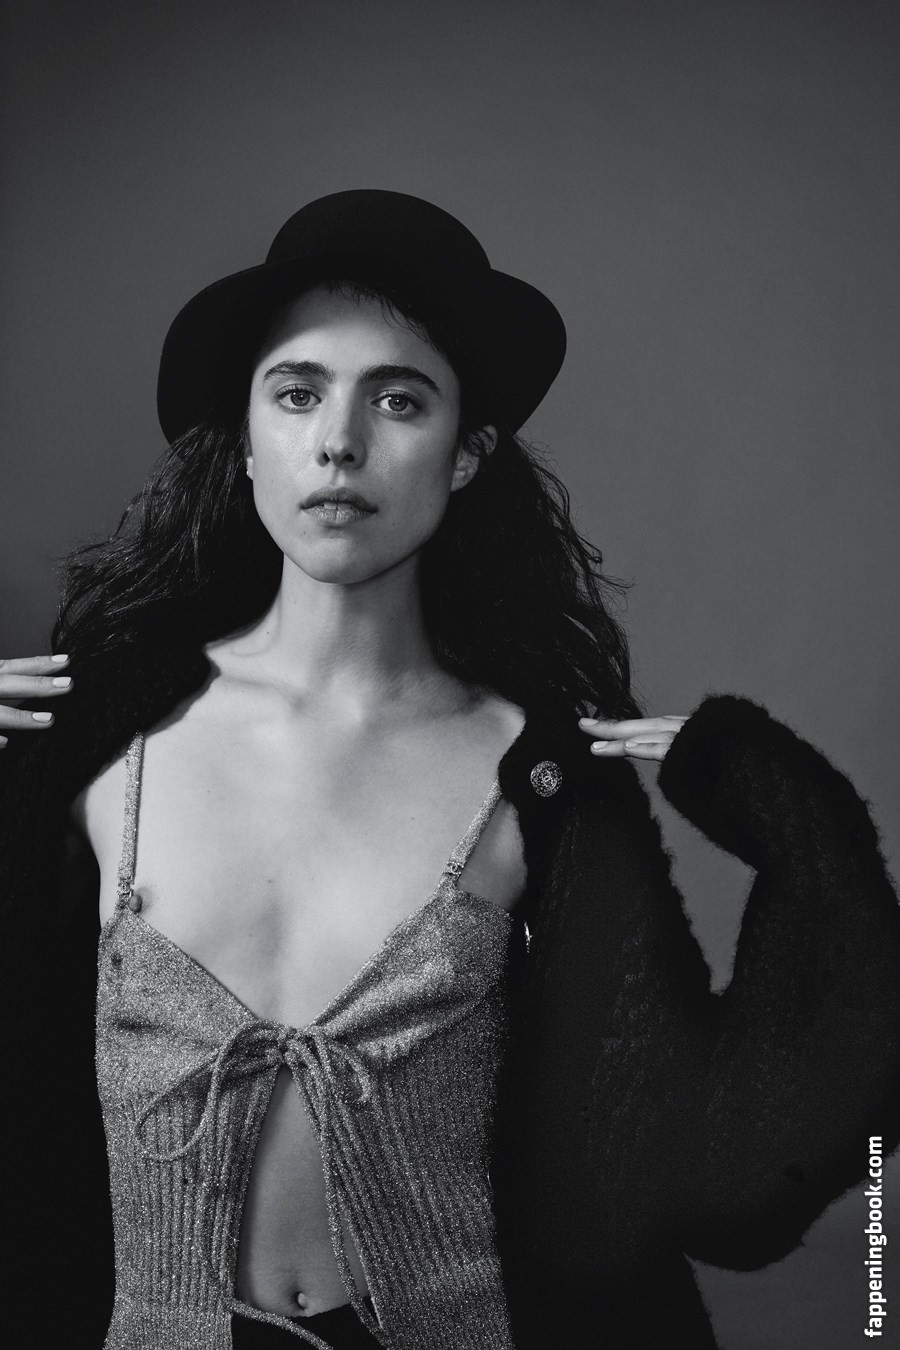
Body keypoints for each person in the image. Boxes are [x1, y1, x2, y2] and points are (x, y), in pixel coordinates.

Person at [1, 189, 898, 1350]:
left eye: (399, 400)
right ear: (248, 439)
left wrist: (792, 813)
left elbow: (706, 1150)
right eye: (297, 393)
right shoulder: (92, 743)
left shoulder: (539, 775)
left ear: (468, 454)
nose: (340, 441)